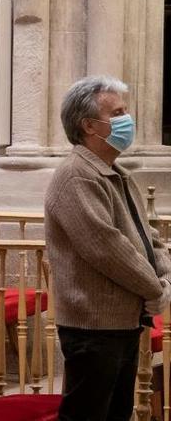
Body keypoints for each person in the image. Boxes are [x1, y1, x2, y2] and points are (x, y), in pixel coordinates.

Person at [46, 76, 171, 421]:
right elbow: (106, 248)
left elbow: (150, 238)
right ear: (89, 125)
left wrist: (164, 279)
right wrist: (154, 288)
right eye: (117, 113)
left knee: (116, 413)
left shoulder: (114, 172)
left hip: (123, 320)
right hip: (93, 324)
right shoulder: (77, 176)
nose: (126, 120)